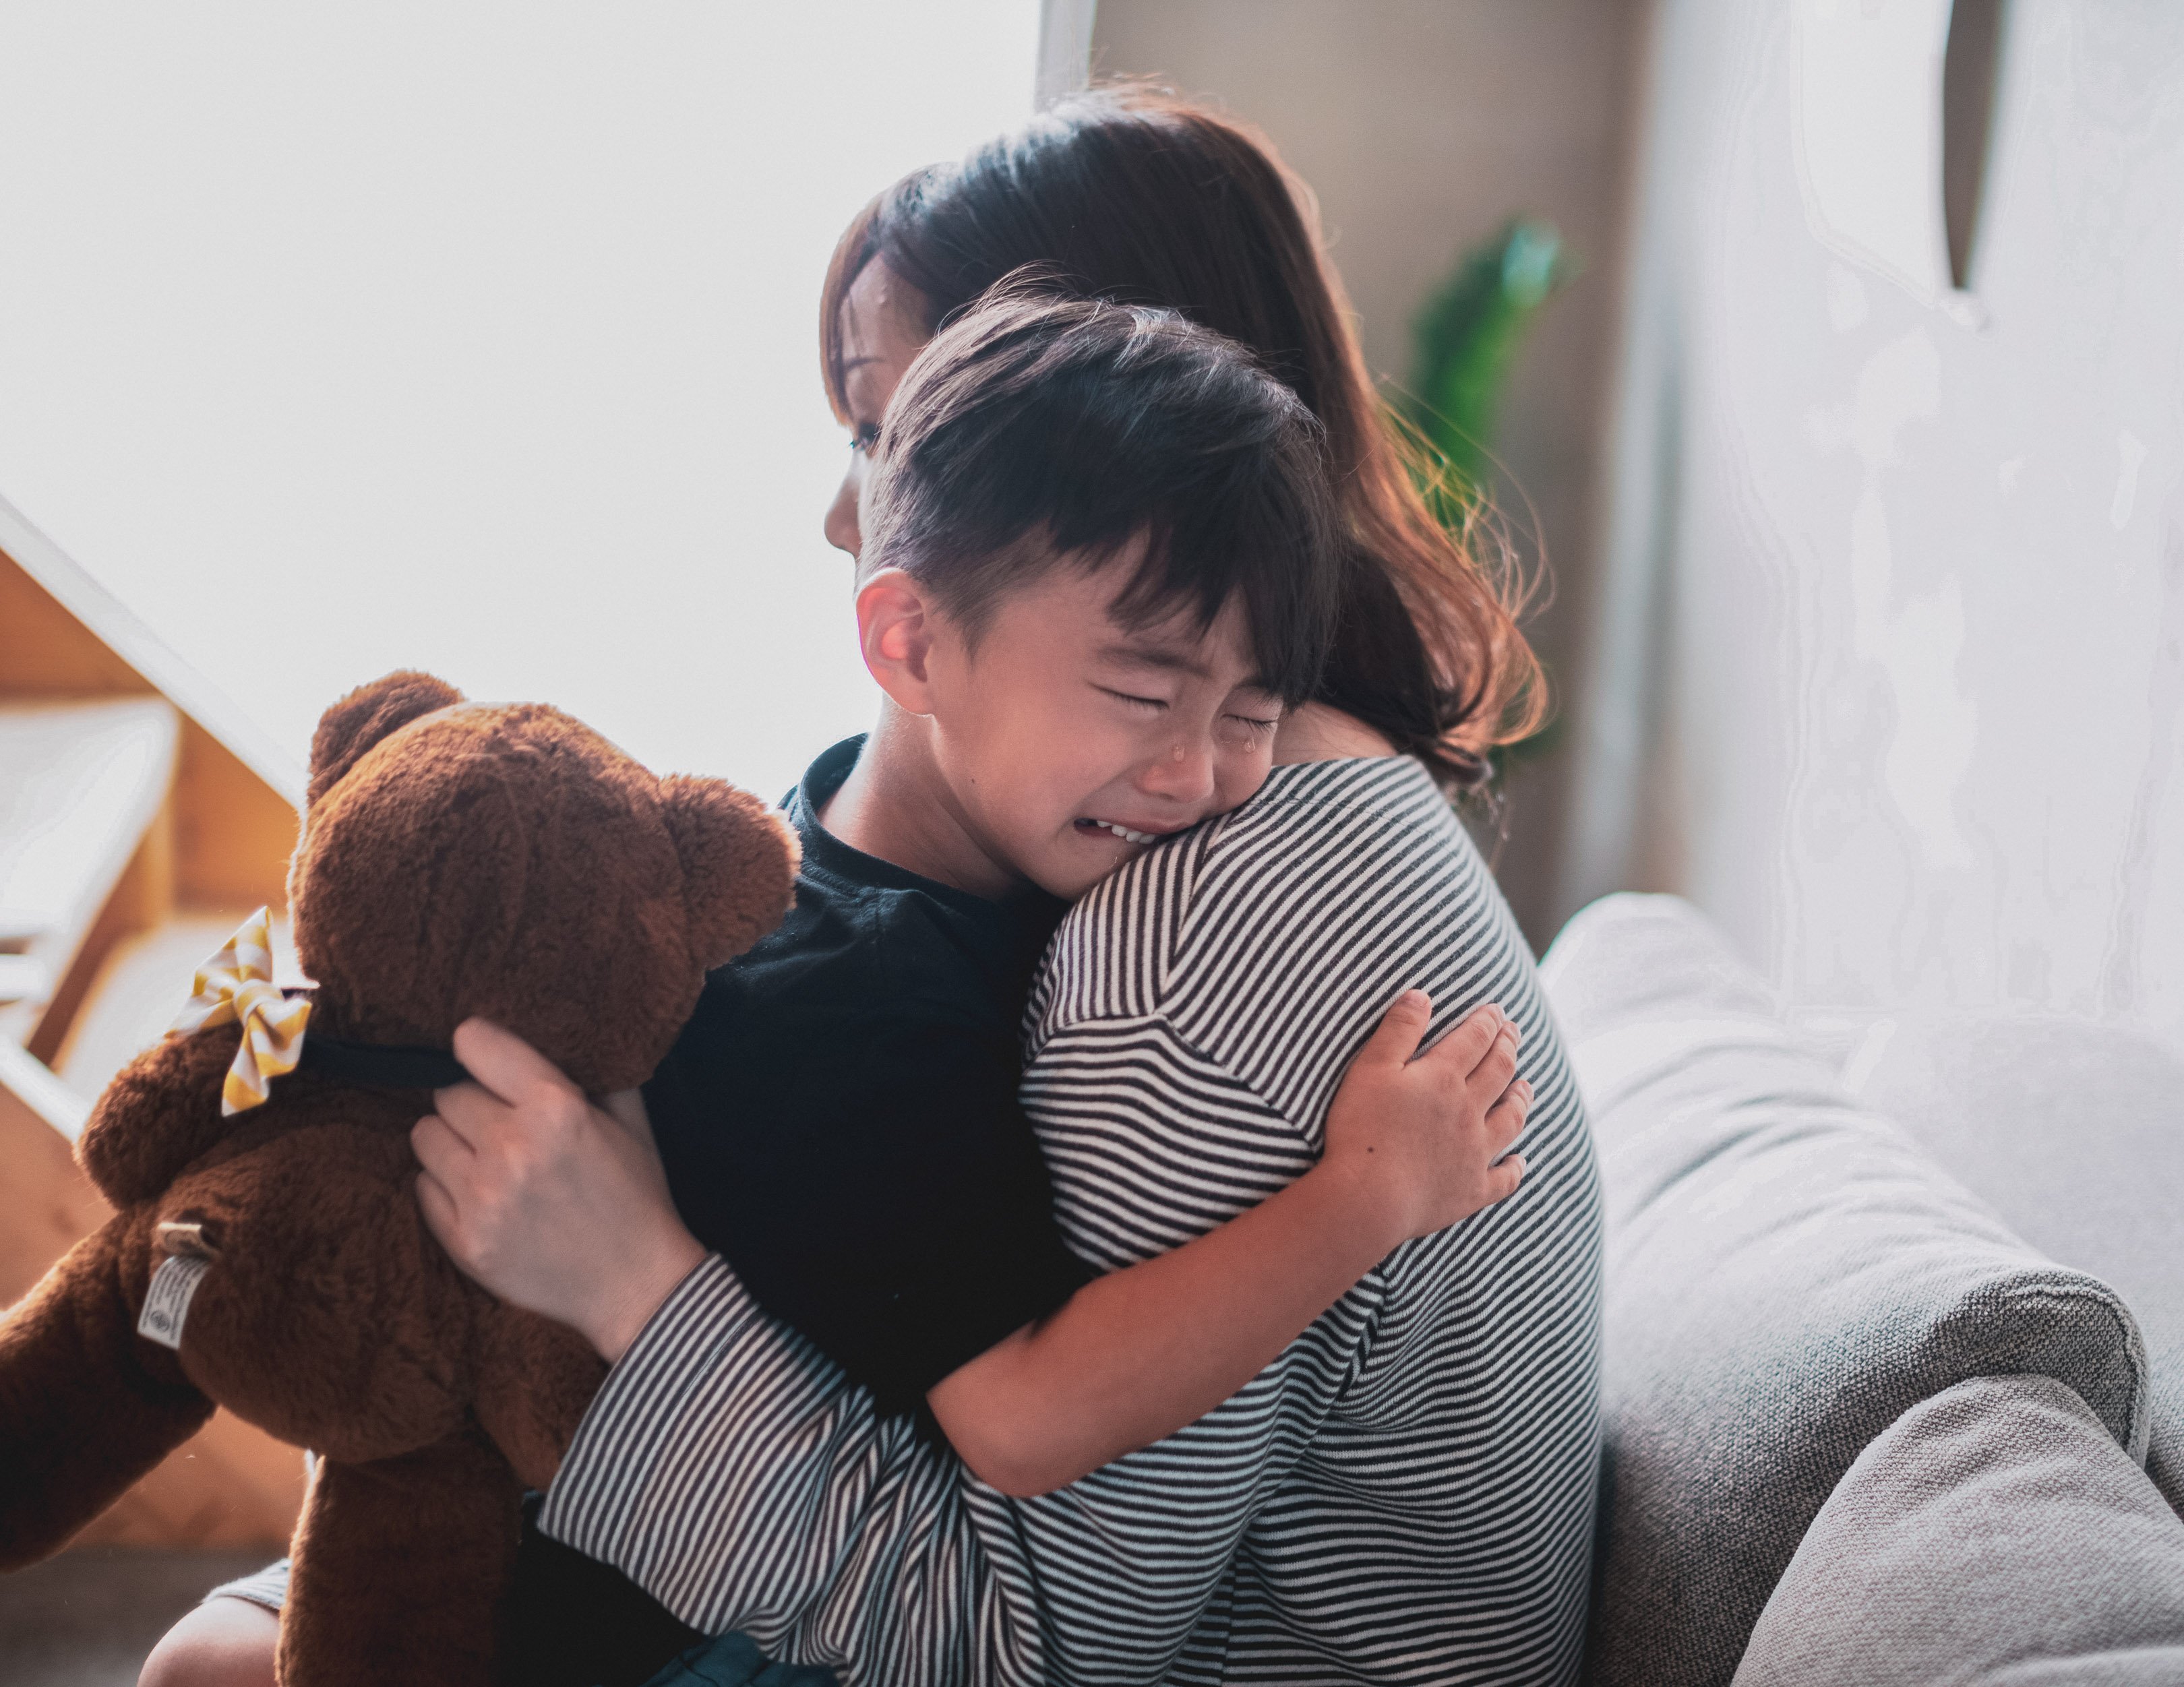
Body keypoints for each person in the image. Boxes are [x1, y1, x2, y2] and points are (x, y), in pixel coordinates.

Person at [136, 286, 1530, 1686]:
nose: (1203, 778)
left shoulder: (893, 852)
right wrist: (1365, 1202)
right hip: (645, 1617)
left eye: (1250, 713)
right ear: (908, 643)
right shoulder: (853, 1019)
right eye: (1143, 691)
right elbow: (1028, 1417)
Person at [431, 91, 1602, 1686]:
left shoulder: (1186, 950)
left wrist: (628, 1282)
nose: (844, 515)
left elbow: (1012, 1645)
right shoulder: (1279, 791)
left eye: (893, 432)